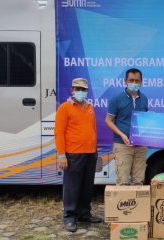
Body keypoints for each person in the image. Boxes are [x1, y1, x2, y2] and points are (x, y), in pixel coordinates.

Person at [55, 78, 102, 233]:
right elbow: (59, 133)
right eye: (78, 89)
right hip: (73, 154)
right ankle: (69, 217)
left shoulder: (90, 107)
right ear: (72, 90)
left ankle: (84, 214)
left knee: (87, 186)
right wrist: (62, 155)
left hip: (90, 153)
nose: (81, 92)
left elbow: (93, 129)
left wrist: (95, 149)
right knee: (72, 187)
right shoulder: (64, 108)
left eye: (83, 89)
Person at [105, 68, 148, 185]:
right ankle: (123, 203)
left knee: (139, 181)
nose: (134, 83)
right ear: (125, 81)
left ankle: (138, 204)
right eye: (131, 80)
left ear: (141, 82)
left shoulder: (144, 99)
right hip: (122, 145)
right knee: (123, 182)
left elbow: (144, 121)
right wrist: (122, 135)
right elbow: (108, 121)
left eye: (137, 81)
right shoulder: (116, 99)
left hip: (140, 146)